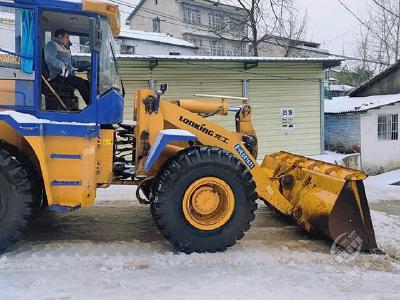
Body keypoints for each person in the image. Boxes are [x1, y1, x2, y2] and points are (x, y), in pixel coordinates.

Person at [44, 29, 90, 105]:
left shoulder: (66, 48)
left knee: (86, 82)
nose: (68, 39)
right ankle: (90, 105)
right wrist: (62, 66)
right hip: (56, 76)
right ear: (60, 36)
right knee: (80, 83)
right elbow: (49, 58)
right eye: (67, 37)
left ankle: (93, 103)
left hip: (65, 75)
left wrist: (77, 69)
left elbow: (69, 65)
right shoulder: (52, 44)